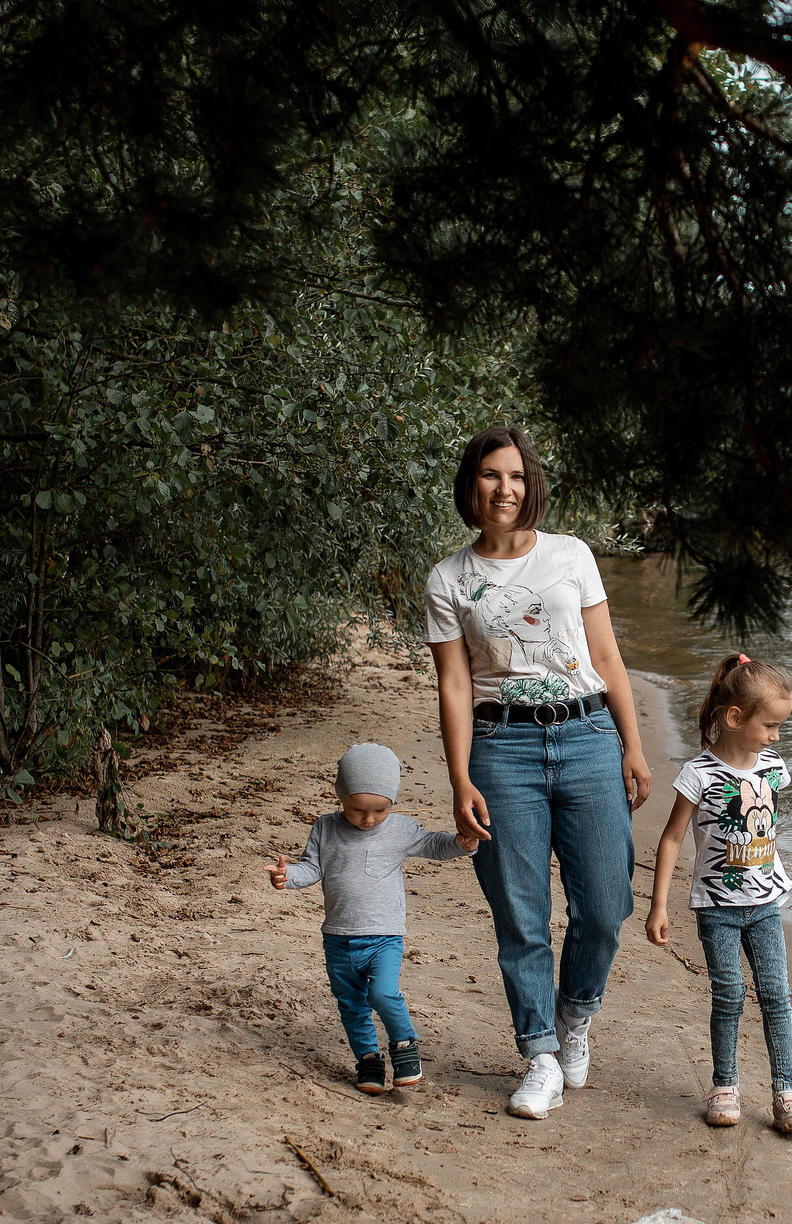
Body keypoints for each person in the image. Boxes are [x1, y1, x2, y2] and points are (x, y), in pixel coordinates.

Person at [425, 423, 653, 1120]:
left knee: (607, 907)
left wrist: (632, 744)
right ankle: (541, 1056)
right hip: (502, 751)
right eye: (492, 475)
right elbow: (456, 687)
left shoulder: (571, 555)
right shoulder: (448, 579)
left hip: (586, 736)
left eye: (517, 475)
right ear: (472, 484)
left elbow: (607, 656)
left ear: (532, 485)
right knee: (520, 916)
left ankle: (575, 1015)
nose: (505, 488)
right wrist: (460, 778)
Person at [646, 654, 792, 1132]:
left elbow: (769, 828)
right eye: (770, 726)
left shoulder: (772, 767)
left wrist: (771, 872)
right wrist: (659, 905)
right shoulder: (698, 774)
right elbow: (672, 838)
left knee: (777, 995)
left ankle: (786, 1091)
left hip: (765, 904)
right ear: (735, 717)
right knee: (729, 995)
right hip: (717, 908)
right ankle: (725, 1086)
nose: (776, 736)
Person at [267, 742, 478, 1094]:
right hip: (337, 937)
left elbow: (433, 845)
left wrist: (463, 843)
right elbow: (311, 868)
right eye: (357, 809)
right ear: (341, 797)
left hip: (384, 938)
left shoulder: (399, 829)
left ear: (391, 803)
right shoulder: (325, 828)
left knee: (383, 993)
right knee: (350, 1003)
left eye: (379, 810)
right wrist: (287, 877)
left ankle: (404, 1044)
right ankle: (367, 1059)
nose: (368, 819)